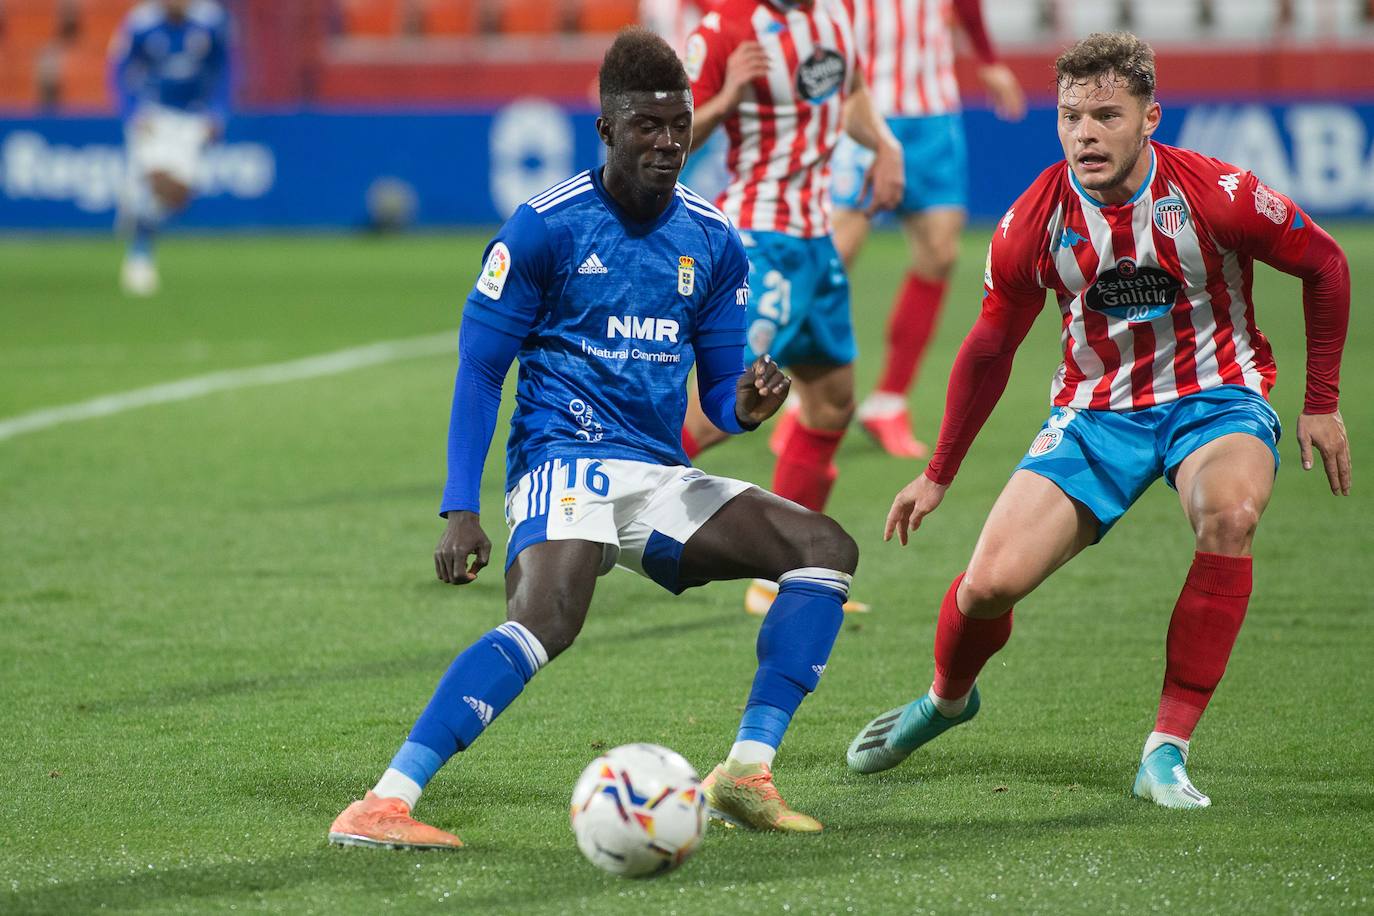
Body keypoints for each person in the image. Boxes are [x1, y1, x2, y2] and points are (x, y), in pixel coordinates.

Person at [329, 28, 860, 850]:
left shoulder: (712, 240)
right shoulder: (545, 229)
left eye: (679, 124)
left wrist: (748, 405)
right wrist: (458, 510)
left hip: (656, 471)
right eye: (648, 126)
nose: (669, 142)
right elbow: (479, 374)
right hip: (563, 456)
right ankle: (384, 800)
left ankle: (747, 773)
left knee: (823, 546)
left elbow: (719, 390)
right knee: (548, 618)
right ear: (607, 129)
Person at [845, 32, 1350, 809]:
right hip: (1093, 414)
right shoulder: (1034, 222)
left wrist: (1320, 402)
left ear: (1150, 117)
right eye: (1070, 116)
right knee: (986, 587)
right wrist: (938, 472)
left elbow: (1325, 263)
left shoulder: (1217, 193)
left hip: (1215, 397)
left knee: (1231, 513)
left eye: (1106, 115)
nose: (1085, 133)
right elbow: (989, 350)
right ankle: (947, 699)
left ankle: (1165, 749)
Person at [678, 0, 905, 614]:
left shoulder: (832, 21)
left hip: (816, 243)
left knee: (831, 404)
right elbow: (673, 132)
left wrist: (884, 145)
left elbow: (851, 92)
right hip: (758, 243)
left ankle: (777, 580)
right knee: (716, 410)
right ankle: (607, 516)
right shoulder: (725, 28)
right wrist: (725, 98)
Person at [830, 0, 1025, 457]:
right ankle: (807, 396)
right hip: (861, 106)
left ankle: (889, 401)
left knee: (939, 253)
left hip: (933, 110)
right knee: (837, 254)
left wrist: (989, 59)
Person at [109, 0, 233, 296]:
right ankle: (139, 256)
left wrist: (219, 112)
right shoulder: (141, 23)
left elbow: (226, 68)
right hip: (153, 116)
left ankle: (133, 200)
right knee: (155, 178)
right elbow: (118, 69)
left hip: (193, 118)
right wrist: (131, 112)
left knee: (179, 196)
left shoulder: (211, 20)